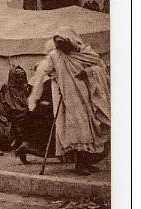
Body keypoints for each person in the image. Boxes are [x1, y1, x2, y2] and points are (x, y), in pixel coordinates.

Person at [28, 27, 110, 176]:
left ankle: (87, 163)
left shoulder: (85, 53)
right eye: (58, 44)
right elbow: (42, 71)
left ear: (71, 41)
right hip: (69, 101)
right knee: (79, 131)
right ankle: (80, 165)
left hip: (88, 98)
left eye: (63, 44)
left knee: (92, 130)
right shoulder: (55, 55)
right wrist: (36, 95)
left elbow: (101, 68)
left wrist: (88, 72)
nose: (61, 47)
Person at [0, 65, 32, 155]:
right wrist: (22, 110)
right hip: (10, 112)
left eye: (22, 77)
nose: (21, 79)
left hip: (20, 110)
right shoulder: (7, 87)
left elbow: (26, 101)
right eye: (18, 77)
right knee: (23, 118)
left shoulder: (23, 87)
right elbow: (8, 104)